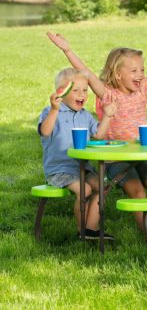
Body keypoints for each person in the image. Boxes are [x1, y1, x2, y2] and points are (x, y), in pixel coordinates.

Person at [47, 32, 147, 250]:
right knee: (137, 193)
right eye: (134, 70)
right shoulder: (108, 94)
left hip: (142, 155)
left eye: (142, 69)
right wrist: (67, 49)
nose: (140, 74)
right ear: (117, 74)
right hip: (116, 160)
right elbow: (88, 74)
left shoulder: (143, 89)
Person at [38, 67, 117, 240]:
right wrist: (54, 109)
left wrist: (108, 116)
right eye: (75, 90)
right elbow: (44, 131)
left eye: (85, 90)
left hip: (83, 167)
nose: (81, 94)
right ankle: (82, 231)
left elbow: (98, 135)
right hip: (59, 169)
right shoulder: (51, 112)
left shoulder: (85, 115)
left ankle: (91, 229)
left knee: (102, 187)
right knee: (85, 189)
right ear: (62, 93)